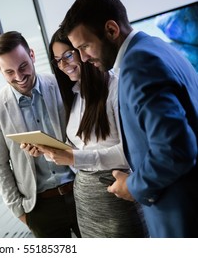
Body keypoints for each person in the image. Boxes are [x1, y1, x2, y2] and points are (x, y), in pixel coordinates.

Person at [60, 0, 198, 237]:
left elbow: (175, 150)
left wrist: (132, 186)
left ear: (111, 30)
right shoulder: (157, 47)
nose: (82, 58)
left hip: (180, 215)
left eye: (85, 46)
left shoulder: (139, 65)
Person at [23, 29, 147, 237]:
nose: (63, 66)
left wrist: (74, 156)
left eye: (68, 55)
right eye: (57, 61)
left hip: (115, 193)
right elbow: (82, 149)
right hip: (86, 199)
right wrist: (49, 150)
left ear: (83, 51)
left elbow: (131, 150)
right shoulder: (75, 94)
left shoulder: (115, 88)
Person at [0, 31, 81, 238]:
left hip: (80, 191)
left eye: (23, 66)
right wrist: (19, 211)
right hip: (40, 208)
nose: (19, 77)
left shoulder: (62, 84)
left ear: (32, 55)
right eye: (9, 72)